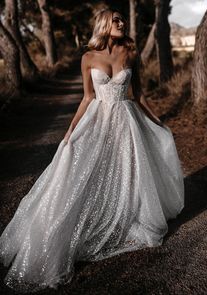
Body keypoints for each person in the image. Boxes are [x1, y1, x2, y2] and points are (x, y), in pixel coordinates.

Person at [0, 8, 184, 293]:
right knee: (86, 171)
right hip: (97, 121)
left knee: (128, 172)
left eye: (123, 19)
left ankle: (129, 215)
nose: (121, 23)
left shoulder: (130, 53)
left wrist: (158, 121)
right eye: (116, 19)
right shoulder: (87, 58)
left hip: (126, 122)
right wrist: (70, 131)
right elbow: (87, 97)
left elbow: (139, 95)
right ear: (103, 24)